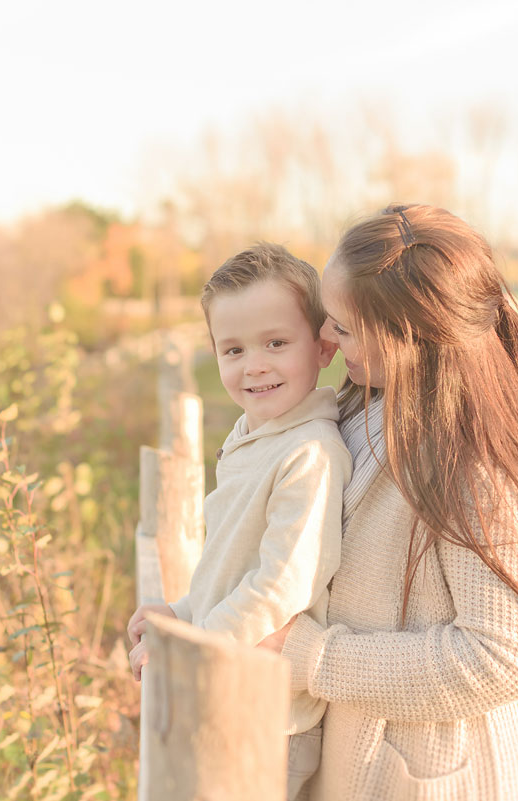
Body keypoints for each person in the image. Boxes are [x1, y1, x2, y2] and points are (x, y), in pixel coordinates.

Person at [258, 204, 518, 800]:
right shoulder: (358, 410)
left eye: (343, 327)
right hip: (361, 765)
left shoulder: (476, 467)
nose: (323, 336)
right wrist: (192, 616)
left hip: (449, 783)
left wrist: (315, 659)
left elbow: (504, 655)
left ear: (410, 339)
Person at [126, 242, 352, 801]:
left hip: (265, 716)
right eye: (233, 350)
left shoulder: (309, 454)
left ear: (323, 345)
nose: (254, 365)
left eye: (276, 343)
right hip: (224, 685)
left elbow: (280, 585)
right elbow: (230, 562)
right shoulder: (251, 437)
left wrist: (193, 646)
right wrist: (180, 614)